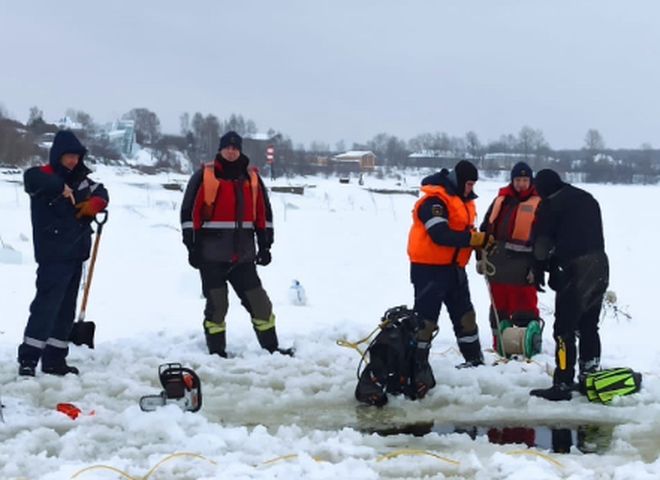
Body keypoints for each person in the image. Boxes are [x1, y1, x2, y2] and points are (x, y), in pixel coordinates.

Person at [180, 131, 292, 357]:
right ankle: (216, 352)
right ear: (220, 150)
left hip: (243, 257)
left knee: (261, 304)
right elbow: (188, 214)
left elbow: (263, 215)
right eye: (227, 148)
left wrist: (266, 245)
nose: (231, 151)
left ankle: (271, 350)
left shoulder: (252, 178)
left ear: (240, 150)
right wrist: (191, 247)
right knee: (217, 307)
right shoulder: (204, 176)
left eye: (235, 148)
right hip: (211, 257)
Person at [18, 130, 109, 376]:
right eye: (69, 156)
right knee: (46, 307)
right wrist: (62, 187)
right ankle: (28, 360)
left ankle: (55, 360)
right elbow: (31, 179)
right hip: (52, 255)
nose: (73, 161)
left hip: (76, 253)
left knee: (66, 309)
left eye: (76, 157)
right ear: (58, 155)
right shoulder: (43, 176)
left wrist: (96, 203)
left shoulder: (82, 180)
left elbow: (101, 192)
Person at [407, 160, 489, 398]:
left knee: (466, 317)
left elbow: (466, 232)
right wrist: (472, 240)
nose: (470, 188)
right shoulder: (433, 201)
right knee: (426, 322)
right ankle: (417, 365)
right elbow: (440, 234)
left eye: (474, 183)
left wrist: (479, 247)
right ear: (458, 180)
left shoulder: (465, 202)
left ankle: (474, 360)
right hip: (428, 270)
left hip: (454, 269)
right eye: (468, 183)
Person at [529, 169, 609, 401]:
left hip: (573, 269)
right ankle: (589, 376)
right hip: (599, 264)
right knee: (588, 325)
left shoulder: (550, 205)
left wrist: (539, 267)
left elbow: (542, 245)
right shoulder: (586, 198)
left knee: (564, 330)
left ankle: (563, 382)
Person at [479, 162, 543, 350]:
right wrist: (479, 257)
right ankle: (500, 344)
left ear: (530, 181)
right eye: (518, 180)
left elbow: (544, 238)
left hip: (524, 266)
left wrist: (537, 266)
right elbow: (485, 229)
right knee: (499, 306)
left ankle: (528, 344)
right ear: (512, 180)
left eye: (525, 180)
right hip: (497, 264)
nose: (521, 184)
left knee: (525, 305)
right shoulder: (501, 200)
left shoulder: (539, 203)